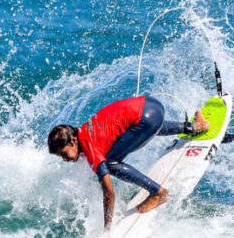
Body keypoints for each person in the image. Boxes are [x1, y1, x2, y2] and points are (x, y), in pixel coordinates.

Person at [48, 95, 208, 229]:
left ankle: (157, 192)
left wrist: (107, 226)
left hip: (148, 120)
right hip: (152, 105)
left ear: (73, 141)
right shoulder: (86, 130)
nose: (64, 159)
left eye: (64, 153)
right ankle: (194, 126)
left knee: (111, 163)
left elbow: (109, 192)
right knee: (139, 128)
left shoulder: (90, 146)